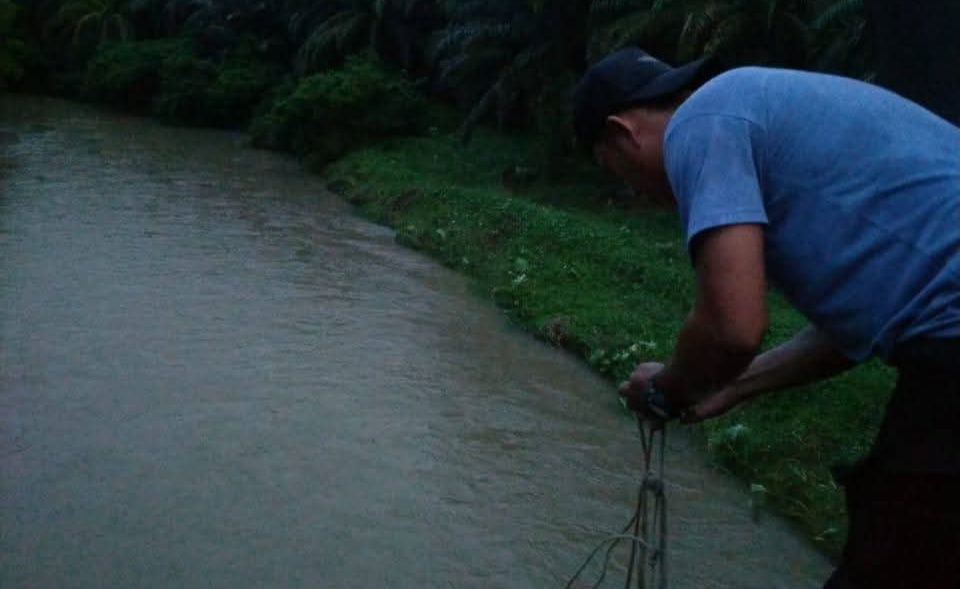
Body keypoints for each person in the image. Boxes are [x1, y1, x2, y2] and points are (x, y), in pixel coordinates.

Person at [572, 48, 960, 588]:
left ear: (620, 135)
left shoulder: (702, 124)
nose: (633, 191)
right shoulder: (760, 110)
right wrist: (735, 388)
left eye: (614, 171)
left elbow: (731, 327)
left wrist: (665, 390)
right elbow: (854, 328)